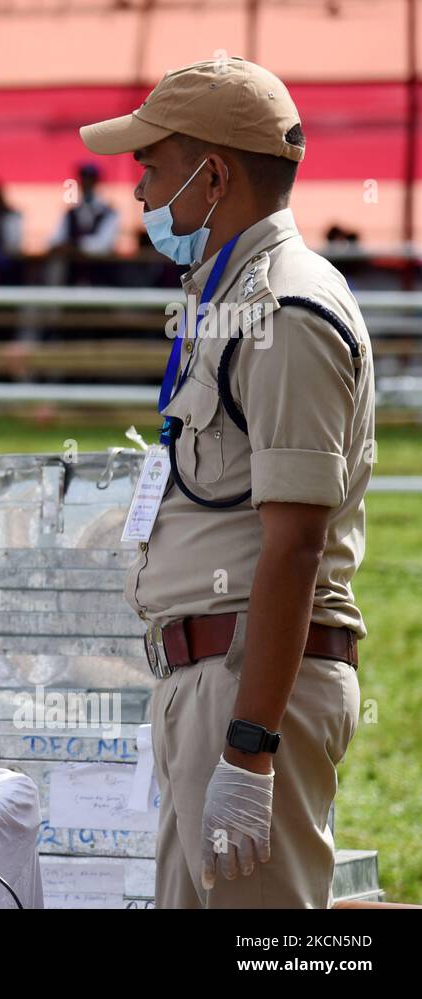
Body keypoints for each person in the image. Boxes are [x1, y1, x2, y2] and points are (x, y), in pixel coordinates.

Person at [80, 56, 374, 908]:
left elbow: (294, 545)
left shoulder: (285, 312)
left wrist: (248, 747)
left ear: (212, 176)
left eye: (153, 166)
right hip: (211, 677)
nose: (139, 192)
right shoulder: (235, 301)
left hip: (245, 686)